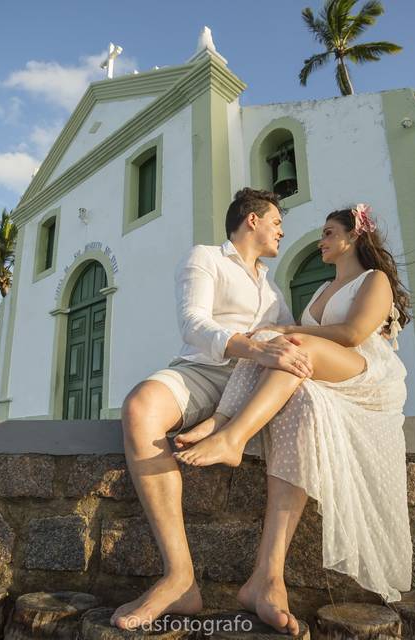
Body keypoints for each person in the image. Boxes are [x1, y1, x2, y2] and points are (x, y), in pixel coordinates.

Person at [172, 203, 413, 606]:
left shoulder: (375, 280)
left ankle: (232, 435)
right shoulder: (321, 290)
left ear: (354, 237)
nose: (322, 240)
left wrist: (285, 328)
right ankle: (266, 578)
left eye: (329, 233)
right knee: (275, 348)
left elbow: (353, 334)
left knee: (287, 341)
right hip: (324, 372)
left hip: (367, 373)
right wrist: (274, 335)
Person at [111, 188, 312, 634]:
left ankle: (268, 576)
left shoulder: (274, 289)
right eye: (276, 219)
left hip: (256, 385)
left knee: (307, 403)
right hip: (202, 370)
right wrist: (255, 348)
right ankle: (179, 577)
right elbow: (194, 323)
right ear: (252, 220)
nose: (282, 228)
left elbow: (289, 340)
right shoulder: (205, 257)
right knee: (140, 406)